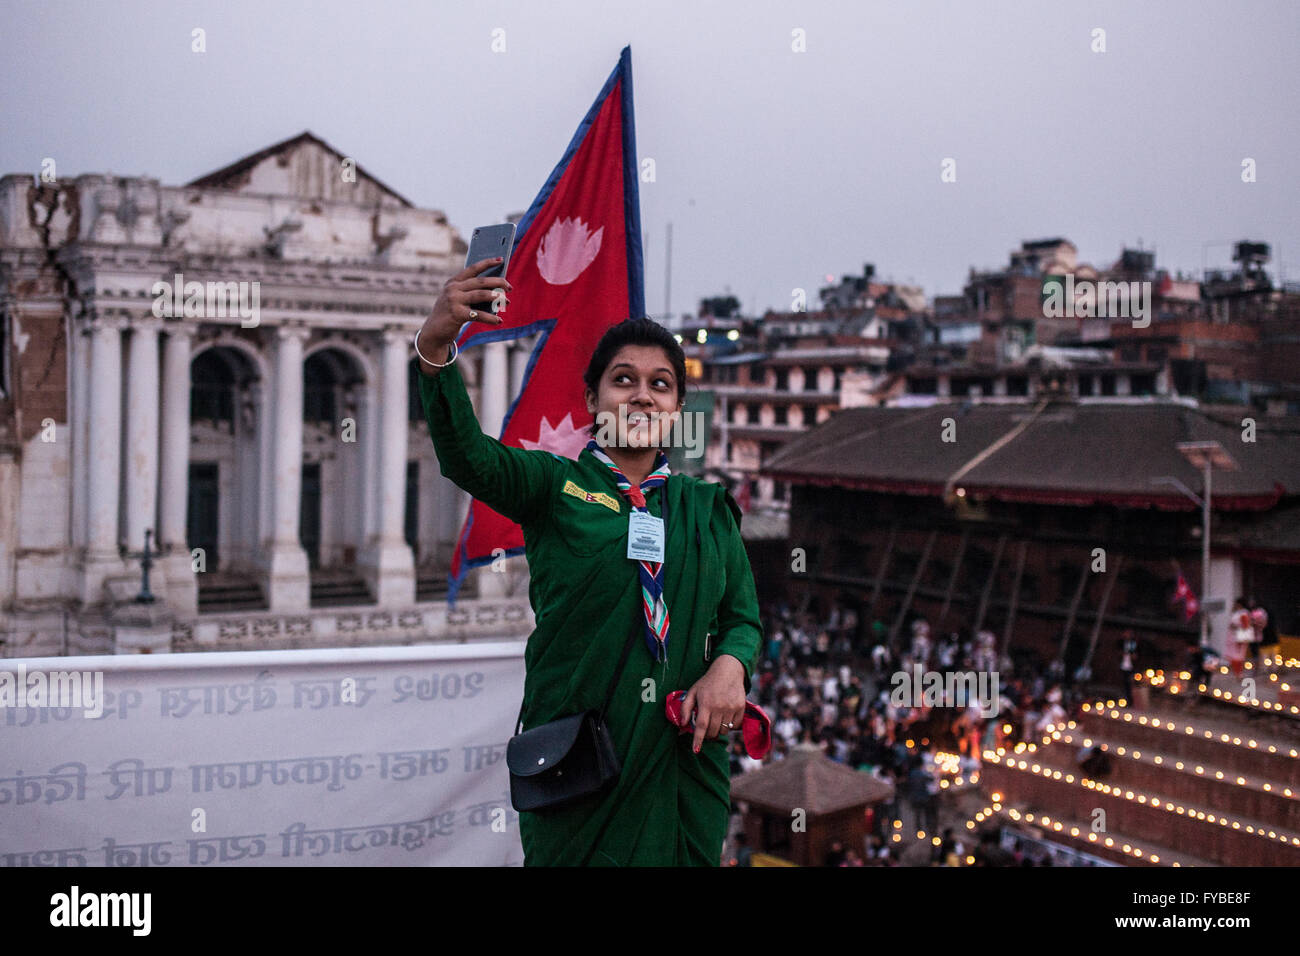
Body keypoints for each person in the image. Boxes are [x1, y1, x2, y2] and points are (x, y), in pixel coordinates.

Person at [414, 259, 763, 866]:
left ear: (678, 408)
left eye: (661, 384)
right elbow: (466, 457)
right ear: (592, 398)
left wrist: (730, 668)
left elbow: (743, 618)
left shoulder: (705, 508)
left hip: (684, 760)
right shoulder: (554, 487)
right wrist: (437, 345)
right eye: (623, 379)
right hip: (581, 763)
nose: (642, 395)